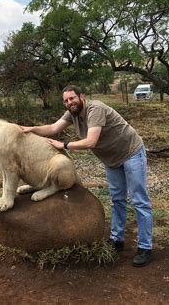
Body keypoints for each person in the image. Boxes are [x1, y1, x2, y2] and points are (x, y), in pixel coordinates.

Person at [21, 86, 153, 267]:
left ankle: (145, 247)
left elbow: (91, 141)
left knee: (139, 200)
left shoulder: (95, 109)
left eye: (72, 98)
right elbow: (53, 128)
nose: (69, 103)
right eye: (66, 100)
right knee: (117, 199)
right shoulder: (72, 114)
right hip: (112, 159)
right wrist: (29, 129)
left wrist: (65, 145)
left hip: (131, 152)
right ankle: (116, 239)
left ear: (82, 97)